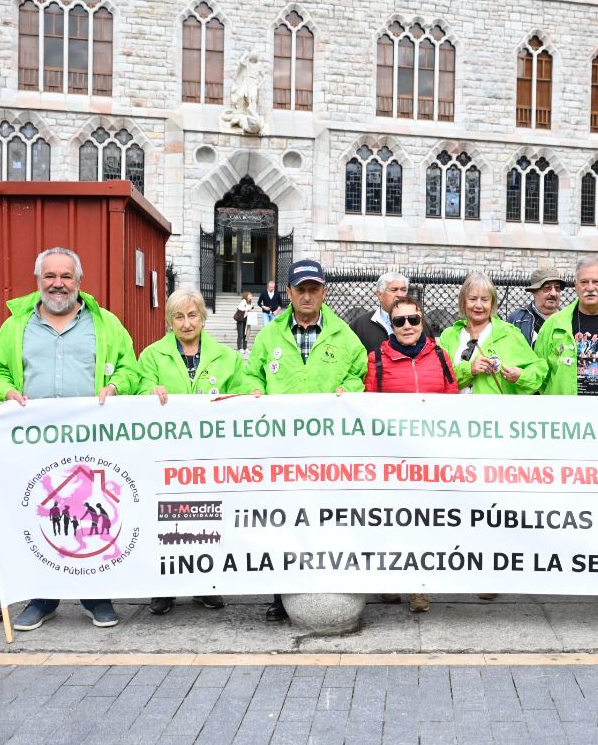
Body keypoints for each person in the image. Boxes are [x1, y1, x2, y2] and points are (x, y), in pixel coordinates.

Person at [0, 247, 139, 632]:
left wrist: (118, 386)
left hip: (92, 440)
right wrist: (6, 393)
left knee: (93, 513)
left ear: (79, 282)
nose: (58, 283)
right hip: (35, 442)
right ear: (38, 282)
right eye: (50, 276)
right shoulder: (15, 327)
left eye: (66, 276)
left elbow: (131, 368)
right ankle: (42, 597)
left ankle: (95, 594)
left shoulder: (105, 324)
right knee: (42, 512)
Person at [248, 258, 368, 621]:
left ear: (324, 293)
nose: (307, 296)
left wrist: (347, 388)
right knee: (283, 519)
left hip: (328, 449)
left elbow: (359, 373)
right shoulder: (270, 336)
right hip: (281, 447)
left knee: (325, 518)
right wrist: (254, 391)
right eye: (300, 289)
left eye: (314, 289)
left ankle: (327, 580)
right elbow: (251, 375)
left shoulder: (344, 336)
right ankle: (279, 593)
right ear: (288, 292)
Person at [137, 287, 254, 617]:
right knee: (166, 521)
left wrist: (253, 393)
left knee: (206, 518)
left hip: (209, 455)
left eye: (192, 315)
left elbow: (241, 388)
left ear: (203, 318)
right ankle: (165, 587)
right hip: (167, 455)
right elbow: (138, 385)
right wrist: (150, 390)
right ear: (169, 321)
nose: (186, 323)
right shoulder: (152, 355)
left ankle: (205, 584)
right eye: (179, 316)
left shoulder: (227, 356)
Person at [364, 294, 459, 612]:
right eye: (399, 321)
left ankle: (421, 584)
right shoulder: (378, 358)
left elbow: (453, 400)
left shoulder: (441, 357)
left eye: (413, 319)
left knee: (426, 523)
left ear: (422, 321)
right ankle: (390, 579)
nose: (407, 326)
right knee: (392, 521)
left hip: (431, 457)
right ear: (391, 324)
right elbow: (370, 405)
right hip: (394, 459)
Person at [535, 257, 598, 396]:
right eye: (584, 282)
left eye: (596, 282)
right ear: (576, 285)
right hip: (569, 413)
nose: (590, 288)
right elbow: (540, 373)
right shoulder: (554, 324)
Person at [439, 271, 546, 396]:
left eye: (485, 300)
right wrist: (469, 369)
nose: (478, 305)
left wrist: (520, 376)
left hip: (495, 413)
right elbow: (438, 378)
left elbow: (539, 370)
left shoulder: (508, 333)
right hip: (455, 413)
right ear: (463, 302)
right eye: (472, 299)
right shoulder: (449, 336)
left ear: (492, 303)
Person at [350, 271, 411, 352]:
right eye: (394, 290)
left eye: (403, 290)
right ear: (380, 295)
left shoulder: (417, 322)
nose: (400, 295)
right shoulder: (360, 325)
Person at [505, 266, 566, 347]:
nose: (553, 293)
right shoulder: (516, 320)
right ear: (534, 291)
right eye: (547, 288)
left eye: (557, 288)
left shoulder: (568, 319)